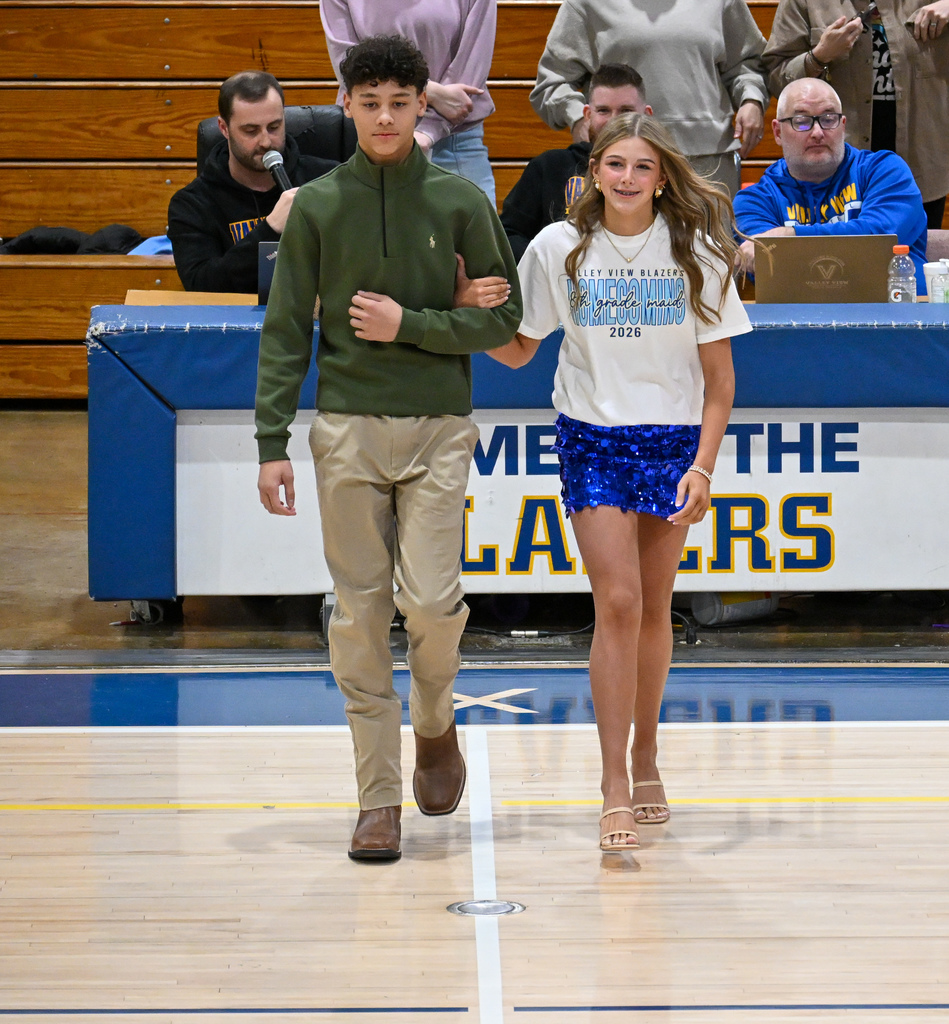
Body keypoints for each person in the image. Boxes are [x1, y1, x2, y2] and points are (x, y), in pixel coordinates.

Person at [254, 35, 522, 862]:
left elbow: (506, 324)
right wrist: (272, 441)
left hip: (440, 426)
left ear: (419, 108)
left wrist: (414, 325)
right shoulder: (318, 205)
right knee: (359, 618)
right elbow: (285, 327)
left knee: (433, 604)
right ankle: (376, 799)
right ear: (346, 106)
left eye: (397, 103)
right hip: (345, 430)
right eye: (367, 103)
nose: (382, 116)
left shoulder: (458, 200)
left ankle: (436, 726)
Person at [488, 113, 749, 852]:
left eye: (642, 167)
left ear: (661, 177)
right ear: (593, 172)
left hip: (672, 443)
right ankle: (609, 781)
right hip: (592, 436)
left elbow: (719, 384)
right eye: (614, 165)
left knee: (657, 604)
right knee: (619, 600)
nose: (627, 178)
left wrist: (701, 466)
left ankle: (646, 757)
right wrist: (465, 311)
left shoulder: (697, 250)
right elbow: (517, 351)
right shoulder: (555, 248)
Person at [529, 0, 770, 197]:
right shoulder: (587, 4)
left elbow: (749, 64)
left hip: (708, 164)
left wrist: (752, 99)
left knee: (710, 252)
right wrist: (579, 119)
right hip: (623, 166)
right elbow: (552, 82)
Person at [762, 0, 949, 229]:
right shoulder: (804, 3)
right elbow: (776, 79)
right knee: (838, 256)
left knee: (913, 254)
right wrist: (819, 56)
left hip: (922, 157)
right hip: (837, 171)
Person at [733, 78, 929, 288]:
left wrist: (788, 236)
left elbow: (879, 240)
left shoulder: (885, 171)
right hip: (800, 317)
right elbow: (766, 266)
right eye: (801, 120)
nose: (817, 132)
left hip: (898, 313)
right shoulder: (754, 201)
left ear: (842, 126)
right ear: (778, 132)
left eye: (828, 119)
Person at [168, 72, 338, 293]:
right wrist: (270, 228)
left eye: (274, 127)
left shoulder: (328, 179)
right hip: (237, 322)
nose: (266, 141)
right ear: (224, 128)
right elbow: (202, 286)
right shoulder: (192, 204)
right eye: (251, 131)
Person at [320, 0, 498, 203]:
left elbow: (466, 83)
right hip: (373, 142)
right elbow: (352, 70)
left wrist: (428, 132)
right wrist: (432, 92)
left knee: (480, 231)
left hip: (453, 141)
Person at [501, 63, 652, 261]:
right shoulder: (549, 167)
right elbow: (507, 235)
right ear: (588, 115)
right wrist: (550, 265)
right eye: (604, 111)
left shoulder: (661, 172)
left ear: (646, 115)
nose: (614, 121)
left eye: (625, 111)